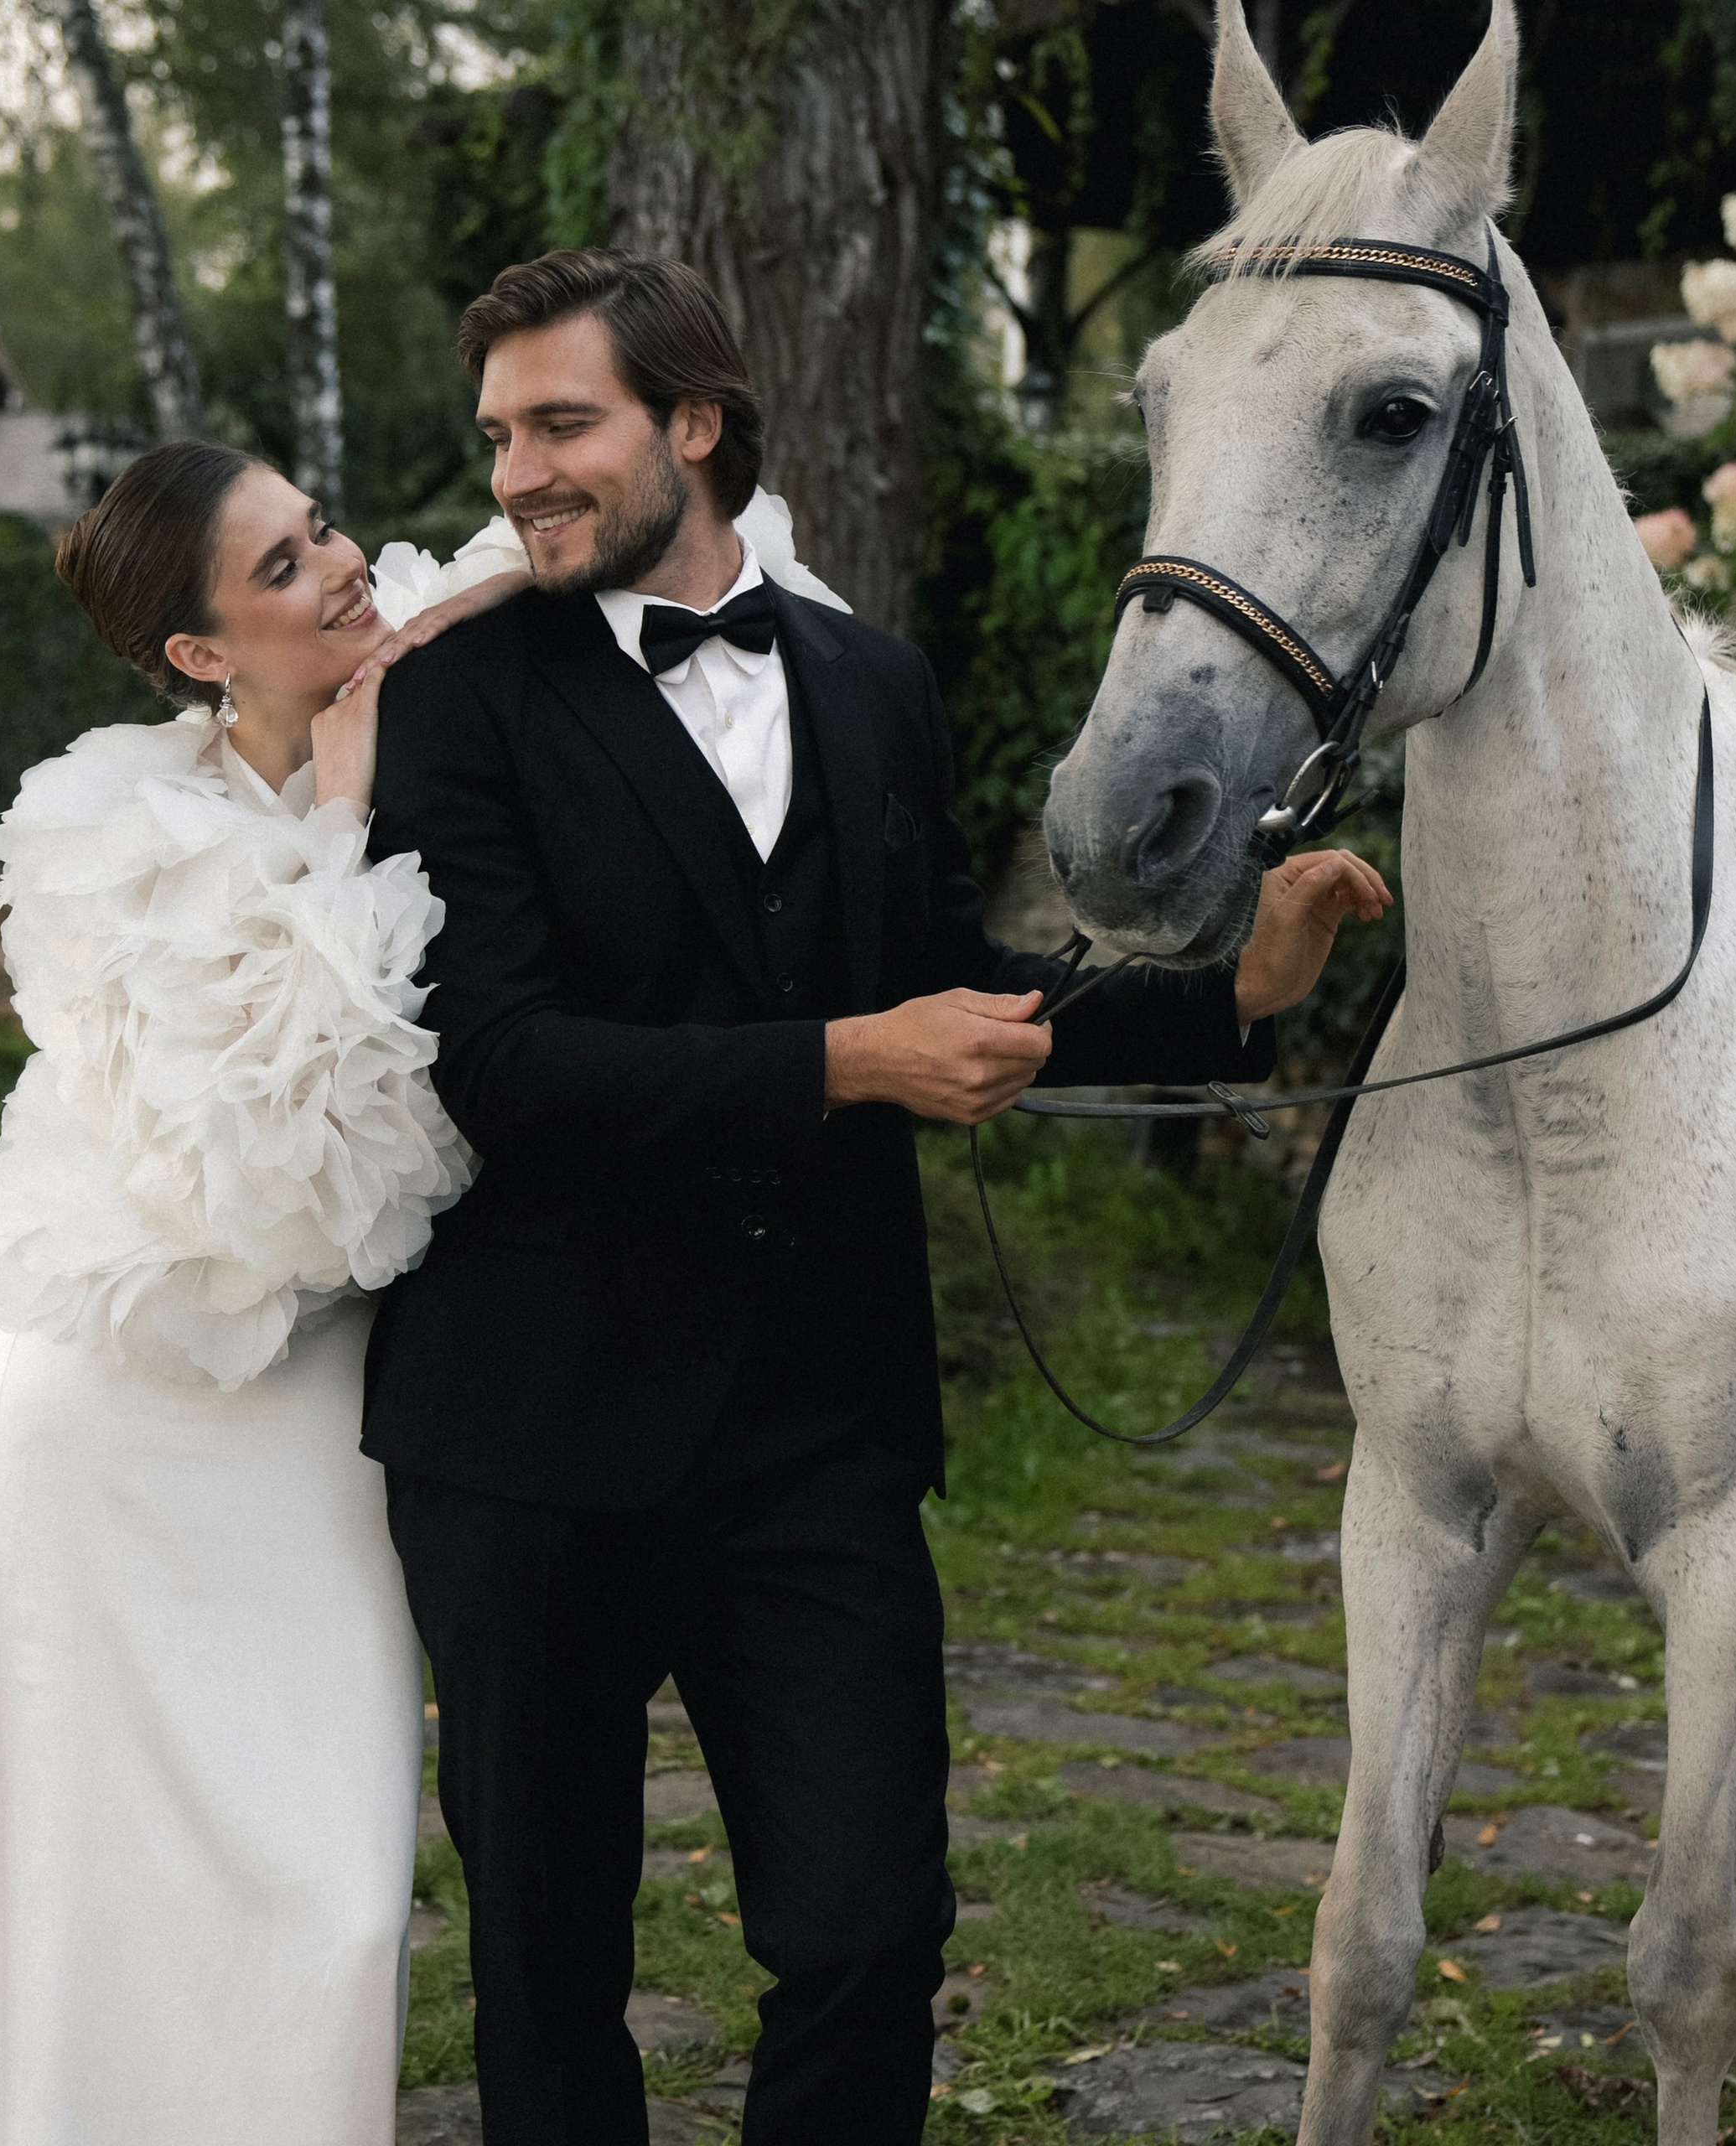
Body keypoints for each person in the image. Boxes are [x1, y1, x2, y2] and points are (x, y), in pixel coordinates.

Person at [363, 247, 1390, 2146]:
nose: (515, 474)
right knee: (546, 1969)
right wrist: (845, 1061)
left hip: (817, 1429)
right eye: (498, 434)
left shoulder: (873, 680)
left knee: (866, 1930)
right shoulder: (454, 700)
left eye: (561, 423)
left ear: (694, 424)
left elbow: (945, 986)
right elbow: (497, 1062)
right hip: (530, 1435)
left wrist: (1232, 992)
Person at [0, 440, 516, 2145]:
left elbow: (572, 545)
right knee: (95, 1884)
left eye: (320, 525)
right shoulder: (122, 844)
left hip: (318, 1419)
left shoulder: (391, 633)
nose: (339, 565)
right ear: (198, 652)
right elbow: (281, 1179)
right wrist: (339, 817)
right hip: (124, 1415)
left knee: (331, 1894)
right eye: (281, 567)